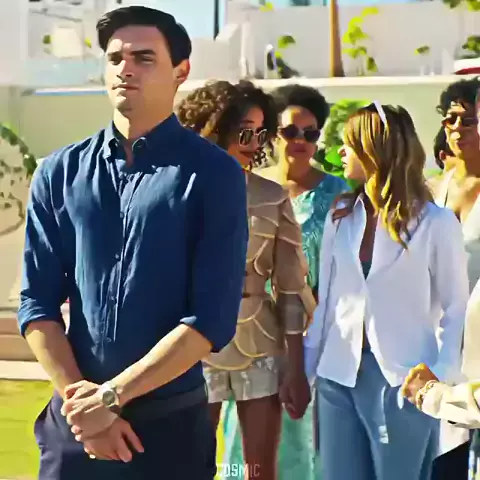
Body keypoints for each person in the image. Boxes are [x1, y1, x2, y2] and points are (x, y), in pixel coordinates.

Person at [17, 7, 249, 480]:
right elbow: (36, 303)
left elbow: (210, 320)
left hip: (169, 428)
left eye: (144, 58)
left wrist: (111, 397)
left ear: (180, 71)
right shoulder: (59, 172)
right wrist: (85, 407)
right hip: (75, 429)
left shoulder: (214, 175)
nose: (126, 69)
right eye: (115, 58)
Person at [302, 102, 469, 480]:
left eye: (349, 143)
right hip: (336, 377)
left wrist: (440, 374)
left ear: (374, 149)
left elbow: (456, 307)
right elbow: (327, 302)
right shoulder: (340, 216)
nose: (341, 152)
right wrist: (305, 371)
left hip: (403, 381)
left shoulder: (436, 222)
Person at [176, 80, 315, 480]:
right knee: (190, 466)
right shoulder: (174, 191)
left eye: (259, 132)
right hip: (189, 343)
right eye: (243, 130)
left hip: (261, 343)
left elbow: (290, 287)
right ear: (213, 128)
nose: (253, 142)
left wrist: (295, 367)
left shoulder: (273, 197)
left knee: (258, 470)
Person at [252, 84, 347, 478]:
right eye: (290, 131)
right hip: (255, 330)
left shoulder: (340, 194)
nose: (300, 141)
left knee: (310, 439)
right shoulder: (250, 188)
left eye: (310, 133)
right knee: (254, 442)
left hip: (315, 332)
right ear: (273, 134)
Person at [427, 77, 480, 480]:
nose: (458, 128)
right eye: (451, 119)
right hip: (438, 347)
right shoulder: (429, 192)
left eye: (469, 119)